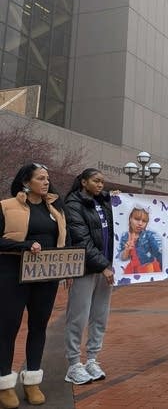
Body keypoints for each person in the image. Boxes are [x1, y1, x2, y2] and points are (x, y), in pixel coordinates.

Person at [0, 163, 68, 408]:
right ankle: (5, 384)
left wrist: (68, 266)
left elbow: (65, 241)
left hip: (45, 278)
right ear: (26, 182)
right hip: (12, 277)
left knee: (39, 327)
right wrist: (24, 245)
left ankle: (32, 381)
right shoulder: (6, 206)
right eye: (41, 178)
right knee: (8, 329)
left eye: (47, 178)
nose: (46, 182)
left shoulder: (56, 209)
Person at [63, 168, 115, 385]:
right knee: (78, 316)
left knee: (100, 316)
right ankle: (74, 364)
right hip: (85, 269)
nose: (100, 185)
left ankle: (92, 359)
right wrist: (103, 265)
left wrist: (118, 200)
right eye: (96, 181)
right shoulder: (73, 204)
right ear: (84, 182)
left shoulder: (104, 203)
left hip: (106, 269)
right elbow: (81, 240)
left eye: (103, 182)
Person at [117, 206, 162, 273]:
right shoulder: (124, 236)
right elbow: (122, 258)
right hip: (133, 269)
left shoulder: (149, 236)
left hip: (148, 268)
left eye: (144, 221)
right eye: (137, 219)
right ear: (130, 219)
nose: (140, 223)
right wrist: (127, 250)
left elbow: (158, 253)